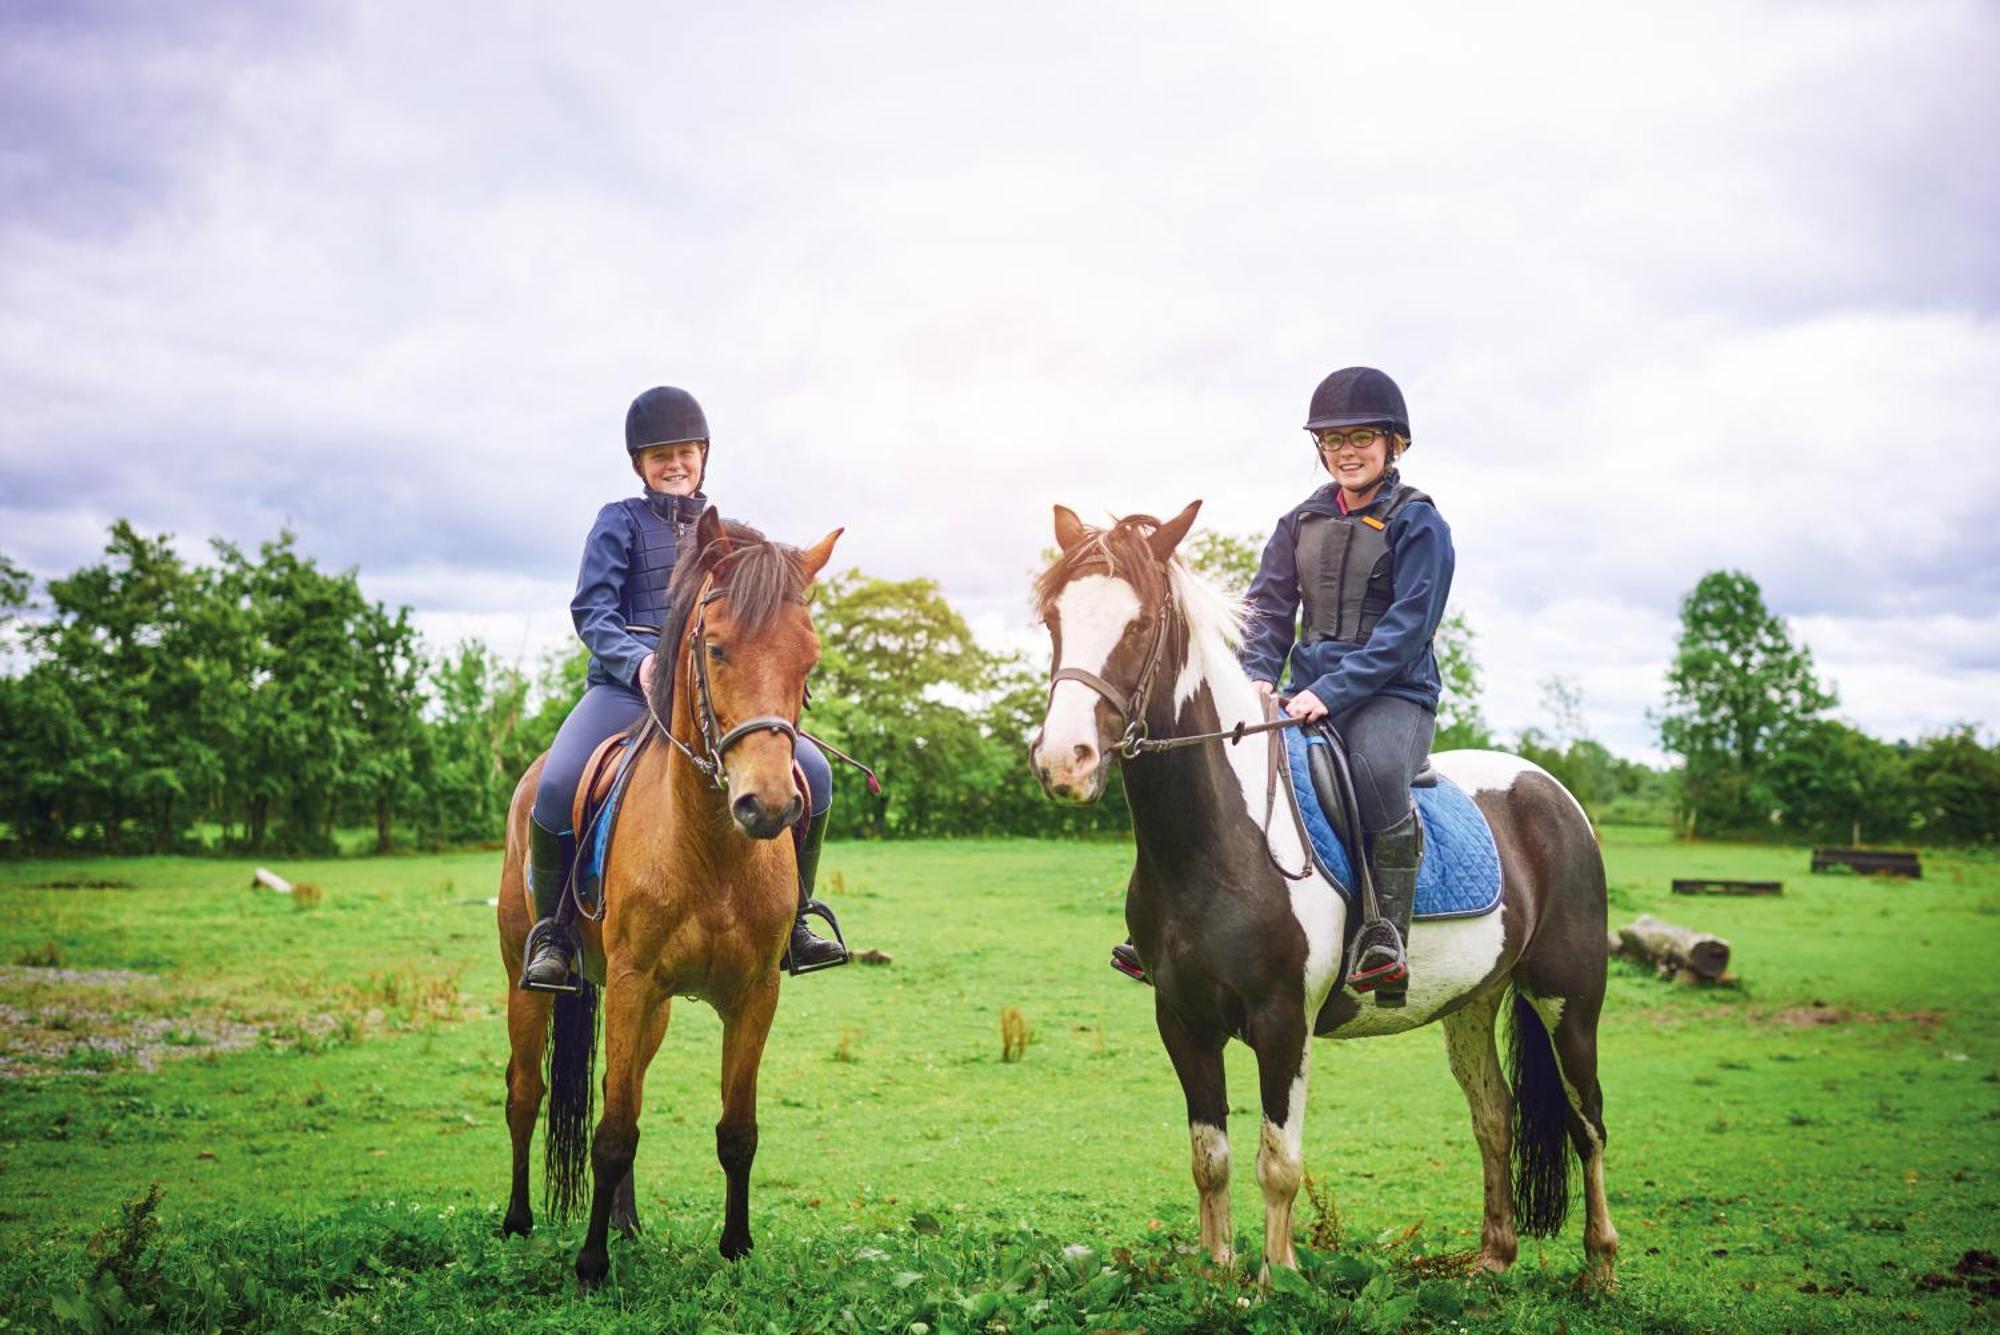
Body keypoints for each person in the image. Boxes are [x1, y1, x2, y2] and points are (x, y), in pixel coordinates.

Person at [1110, 367, 1453, 1003]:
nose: (1346, 451)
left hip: (1394, 695)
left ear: (1393, 443)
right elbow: (1268, 612)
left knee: (1376, 772)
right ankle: (1163, 923)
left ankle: (1384, 934)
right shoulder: (1298, 522)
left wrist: (1334, 690)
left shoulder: (1419, 523)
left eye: (1361, 438)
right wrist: (1262, 676)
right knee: (1223, 772)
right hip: (1303, 695)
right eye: (1332, 439)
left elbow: (1408, 628)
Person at [518, 385, 848, 991]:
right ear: (640, 465)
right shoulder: (618, 522)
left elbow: (764, 607)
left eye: (685, 451)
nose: (674, 463)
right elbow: (593, 612)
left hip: (708, 695)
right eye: (659, 454)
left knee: (817, 775)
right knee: (557, 782)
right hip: (625, 688)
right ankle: (557, 933)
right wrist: (638, 662)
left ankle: (795, 918)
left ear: (704, 455)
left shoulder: (732, 533)